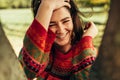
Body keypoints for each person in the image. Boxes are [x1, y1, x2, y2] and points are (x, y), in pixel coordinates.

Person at [18, 0, 98, 80]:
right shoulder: (40, 53)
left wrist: (86, 40)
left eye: (65, 21)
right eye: (52, 24)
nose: (61, 30)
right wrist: (46, 6)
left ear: (72, 19)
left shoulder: (89, 52)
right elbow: (24, 73)